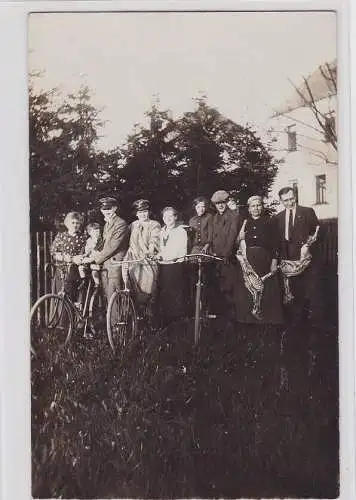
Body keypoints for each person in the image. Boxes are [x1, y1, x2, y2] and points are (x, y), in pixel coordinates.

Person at [273, 187, 322, 326]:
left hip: (304, 258)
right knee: (290, 290)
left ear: (295, 197)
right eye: (286, 200)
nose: (289, 202)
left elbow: (316, 233)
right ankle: (294, 321)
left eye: (291, 199)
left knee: (305, 289)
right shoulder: (278, 217)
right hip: (287, 258)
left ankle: (306, 321)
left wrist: (310, 243)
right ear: (281, 201)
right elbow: (277, 240)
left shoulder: (307, 212)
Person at [234, 195, 284, 324]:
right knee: (249, 288)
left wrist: (274, 261)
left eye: (258, 205)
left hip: (265, 260)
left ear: (262, 207)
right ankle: (248, 319)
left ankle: (268, 319)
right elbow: (237, 243)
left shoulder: (270, 221)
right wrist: (239, 238)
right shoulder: (244, 222)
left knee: (265, 288)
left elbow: (276, 243)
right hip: (248, 261)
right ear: (249, 209)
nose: (256, 208)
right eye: (253, 206)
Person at [87, 197, 129, 301]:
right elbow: (102, 244)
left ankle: (117, 318)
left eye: (109, 208)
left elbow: (112, 246)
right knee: (107, 296)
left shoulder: (120, 223)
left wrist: (94, 259)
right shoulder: (107, 224)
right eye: (104, 209)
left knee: (114, 297)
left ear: (115, 208)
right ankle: (110, 317)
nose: (106, 212)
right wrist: (86, 256)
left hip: (115, 265)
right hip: (106, 265)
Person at [123, 199, 161, 312]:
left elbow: (155, 239)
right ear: (136, 213)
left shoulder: (154, 224)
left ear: (148, 212)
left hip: (147, 259)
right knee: (131, 285)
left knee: (148, 285)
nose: (142, 214)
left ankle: (149, 314)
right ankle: (134, 315)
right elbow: (124, 240)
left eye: (145, 211)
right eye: (140, 212)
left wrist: (150, 250)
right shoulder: (133, 225)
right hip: (132, 258)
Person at [209, 190, 242, 317]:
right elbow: (213, 237)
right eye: (218, 204)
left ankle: (234, 316)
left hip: (228, 257)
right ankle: (222, 316)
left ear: (227, 203)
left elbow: (232, 236)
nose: (220, 206)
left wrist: (226, 255)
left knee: (230, 286)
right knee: (220, 286)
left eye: (223, 203)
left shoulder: (234, 216)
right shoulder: (215, 217)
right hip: (216, 257)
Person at [155, 206, 188, 326]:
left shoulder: (181, 231)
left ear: (175, 217)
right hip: (163, 265)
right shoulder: (162, 231)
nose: (167, 218)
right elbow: (161, 248)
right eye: (165, 216)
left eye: (170, 216)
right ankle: (166, 319)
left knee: (175, 292)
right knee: (164, 292)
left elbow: (181, 251)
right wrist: (158, 255)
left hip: (175, 265)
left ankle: (177, 320)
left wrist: (166, 257)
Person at [50, 211, 87, 301]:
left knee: (71, 298)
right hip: (61, 272)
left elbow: (84, 254)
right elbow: (53, 252)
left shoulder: (83, 238)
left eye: (77, 223)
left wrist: (76, 259)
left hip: (74, 272)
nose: (75, 225)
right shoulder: (61, 236)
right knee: (59, 298)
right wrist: (64, 257)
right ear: (67, 223)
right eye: (73, 223)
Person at [77, 222, 103, 287]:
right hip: (90, 260)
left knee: (94, 271)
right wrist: (84, 256)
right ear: (89, 233)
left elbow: (99, 252)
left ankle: (97, 284)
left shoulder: (101, 241)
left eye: (98, 232)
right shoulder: (89, 241)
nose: (97, 234)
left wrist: (95, 244)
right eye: (95, 232)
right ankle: (84, 280)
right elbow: (87, 251)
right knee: (81, 267)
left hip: (97, 260)